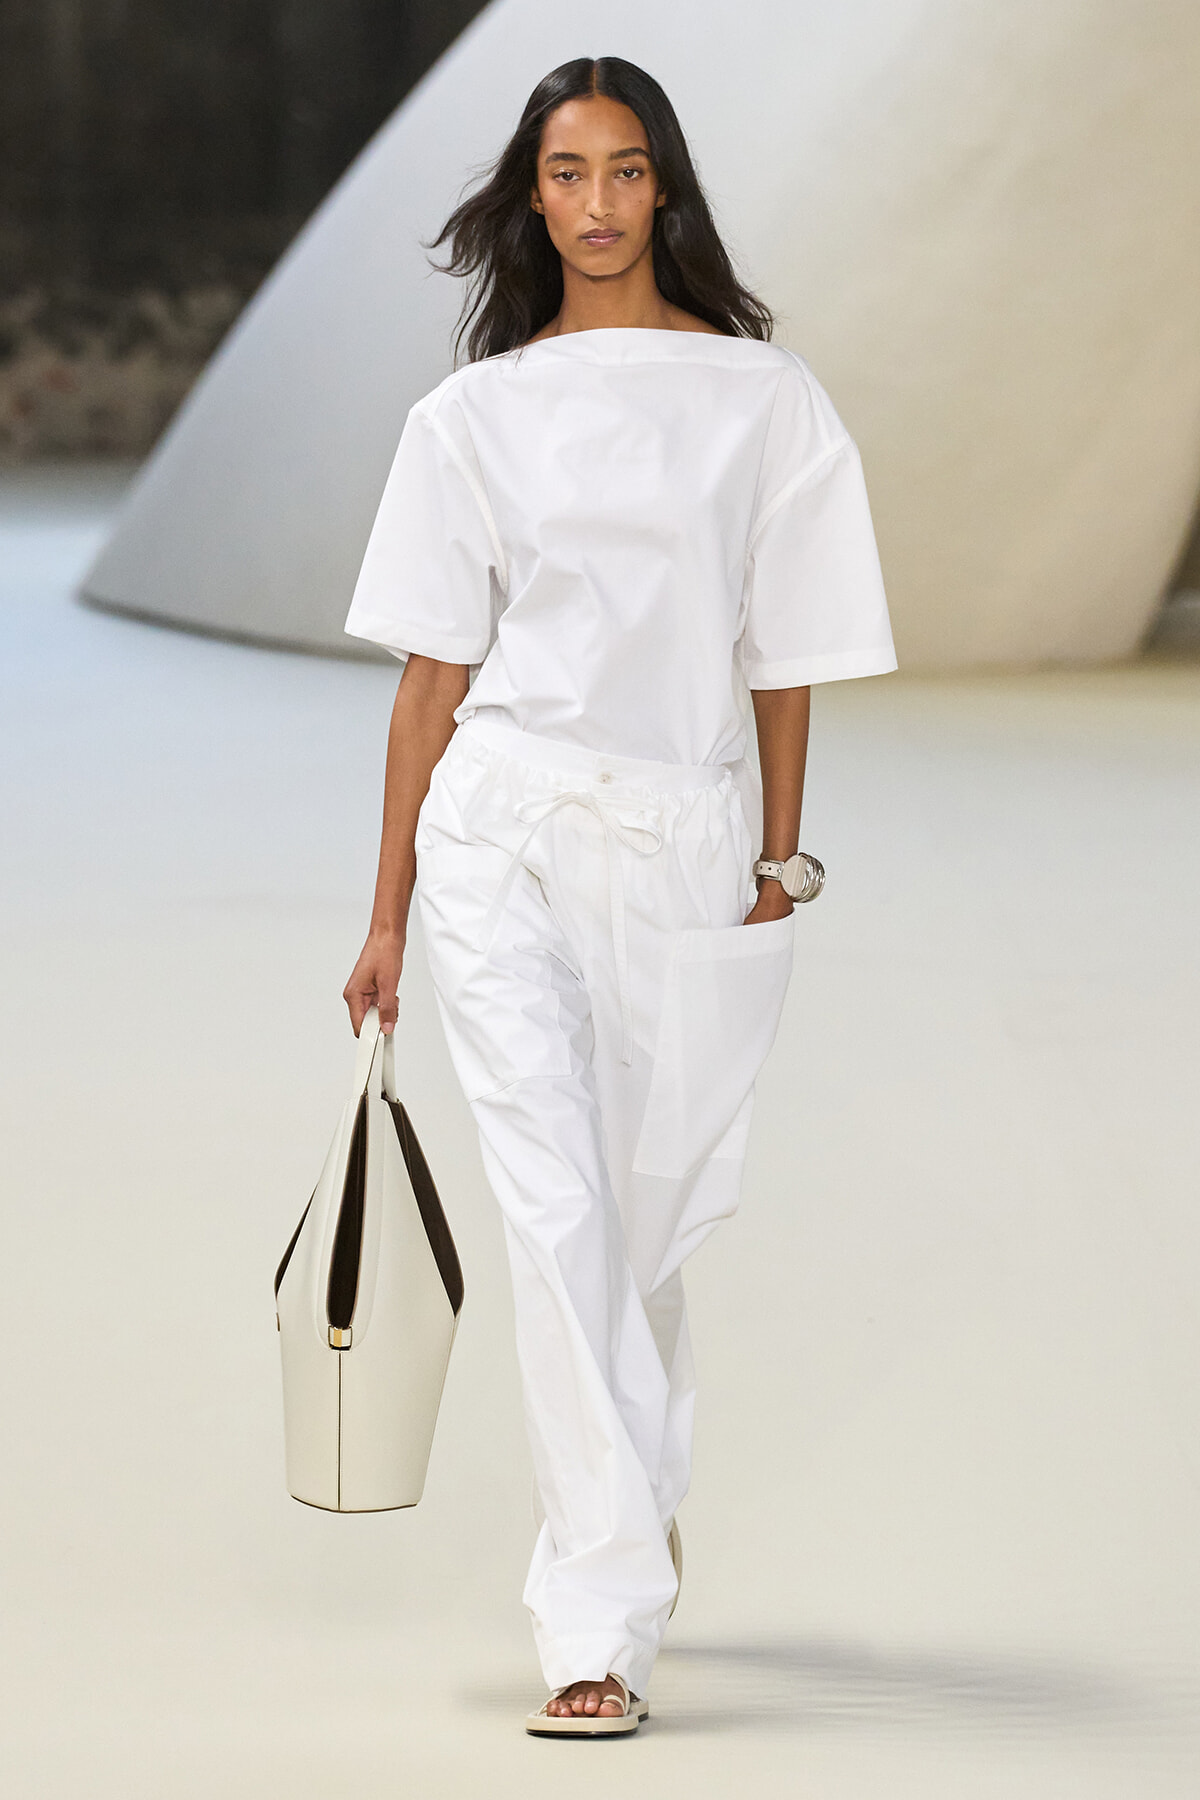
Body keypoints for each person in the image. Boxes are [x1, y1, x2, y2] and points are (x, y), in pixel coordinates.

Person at [342, 55, 895, 1736]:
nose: (596, 201)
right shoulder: (473, 417)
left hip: (687, 840)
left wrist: (781, 862)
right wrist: (382, 915)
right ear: (531, 194)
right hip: (499, 835)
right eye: (566, 172)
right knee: (559, 1214)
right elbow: (435, 682)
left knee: (650, 1221)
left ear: (667, 192)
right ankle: (597, 1619)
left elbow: (784, 652)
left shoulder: (765, 399)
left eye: (627, 170)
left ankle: (629, 1480)